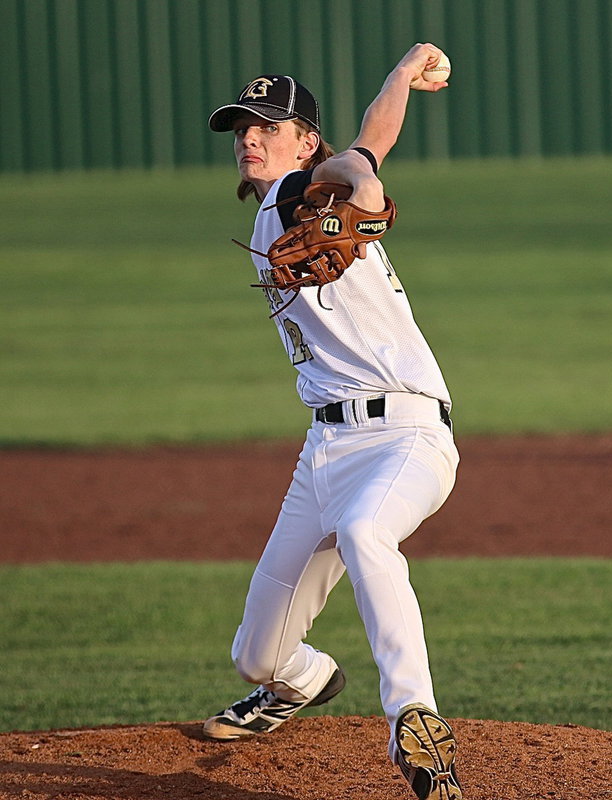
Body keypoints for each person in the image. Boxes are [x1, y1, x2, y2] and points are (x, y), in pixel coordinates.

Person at [204, 43, 463, 800]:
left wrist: (368, 190)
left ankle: (414, 720)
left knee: (365, 533)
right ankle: (303, 683)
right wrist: (401, 71)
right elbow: (369, 140)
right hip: (322, 450)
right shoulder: (288, 202)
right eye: (241, 128)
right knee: (258, 657)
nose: (249, 139)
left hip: (406, 435)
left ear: (301, 140)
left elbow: (353, 167)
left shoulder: (301, 188)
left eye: (267, 125)